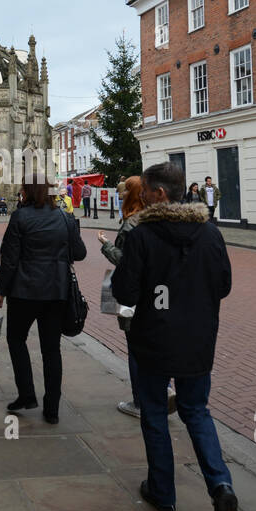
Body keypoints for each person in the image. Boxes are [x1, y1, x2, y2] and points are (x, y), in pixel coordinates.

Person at [111, 161, 239, 511]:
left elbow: (124, 291)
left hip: (152, 341)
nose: (144, 197)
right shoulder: (210, 234)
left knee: (154, 414)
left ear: (161, 194)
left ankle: (163, 492)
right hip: (197, 340)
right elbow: (225, 285)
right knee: (196, 411)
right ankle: (221, 484)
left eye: (148, 191)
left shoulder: (142, 237)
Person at [0, 180, 86, 423]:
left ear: (29, 192)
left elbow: (10, 258)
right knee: (51, 349)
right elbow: (80, 253)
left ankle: (26, 394)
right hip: (56, 292)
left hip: (23, 291)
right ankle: (52, 409)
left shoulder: (20, 217)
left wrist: (0, 291)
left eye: (23, 189)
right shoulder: (64, 218)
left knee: (16, 339)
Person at [100, 176, 176, 420]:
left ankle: (140, 402)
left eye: (125, 192)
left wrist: (105, 244)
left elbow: (123, 261)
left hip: (135, 295)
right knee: (157, 342)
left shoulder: (131, 224)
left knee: (135, 347)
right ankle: (163, 389)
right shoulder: (163, 221)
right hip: (161, 293)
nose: (121, 195)